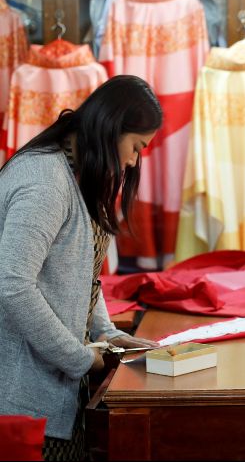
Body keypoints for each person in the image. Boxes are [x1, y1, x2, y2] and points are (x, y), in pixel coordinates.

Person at [0, 75, 163, 460]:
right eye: (136, 147)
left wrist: (107, 334)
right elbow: (13, 283)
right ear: (112, 129)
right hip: (23, 398)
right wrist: (79, 358)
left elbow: (81, 272)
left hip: (49, 387)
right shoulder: (45, 181)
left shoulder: (72, 171)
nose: (133, 161)